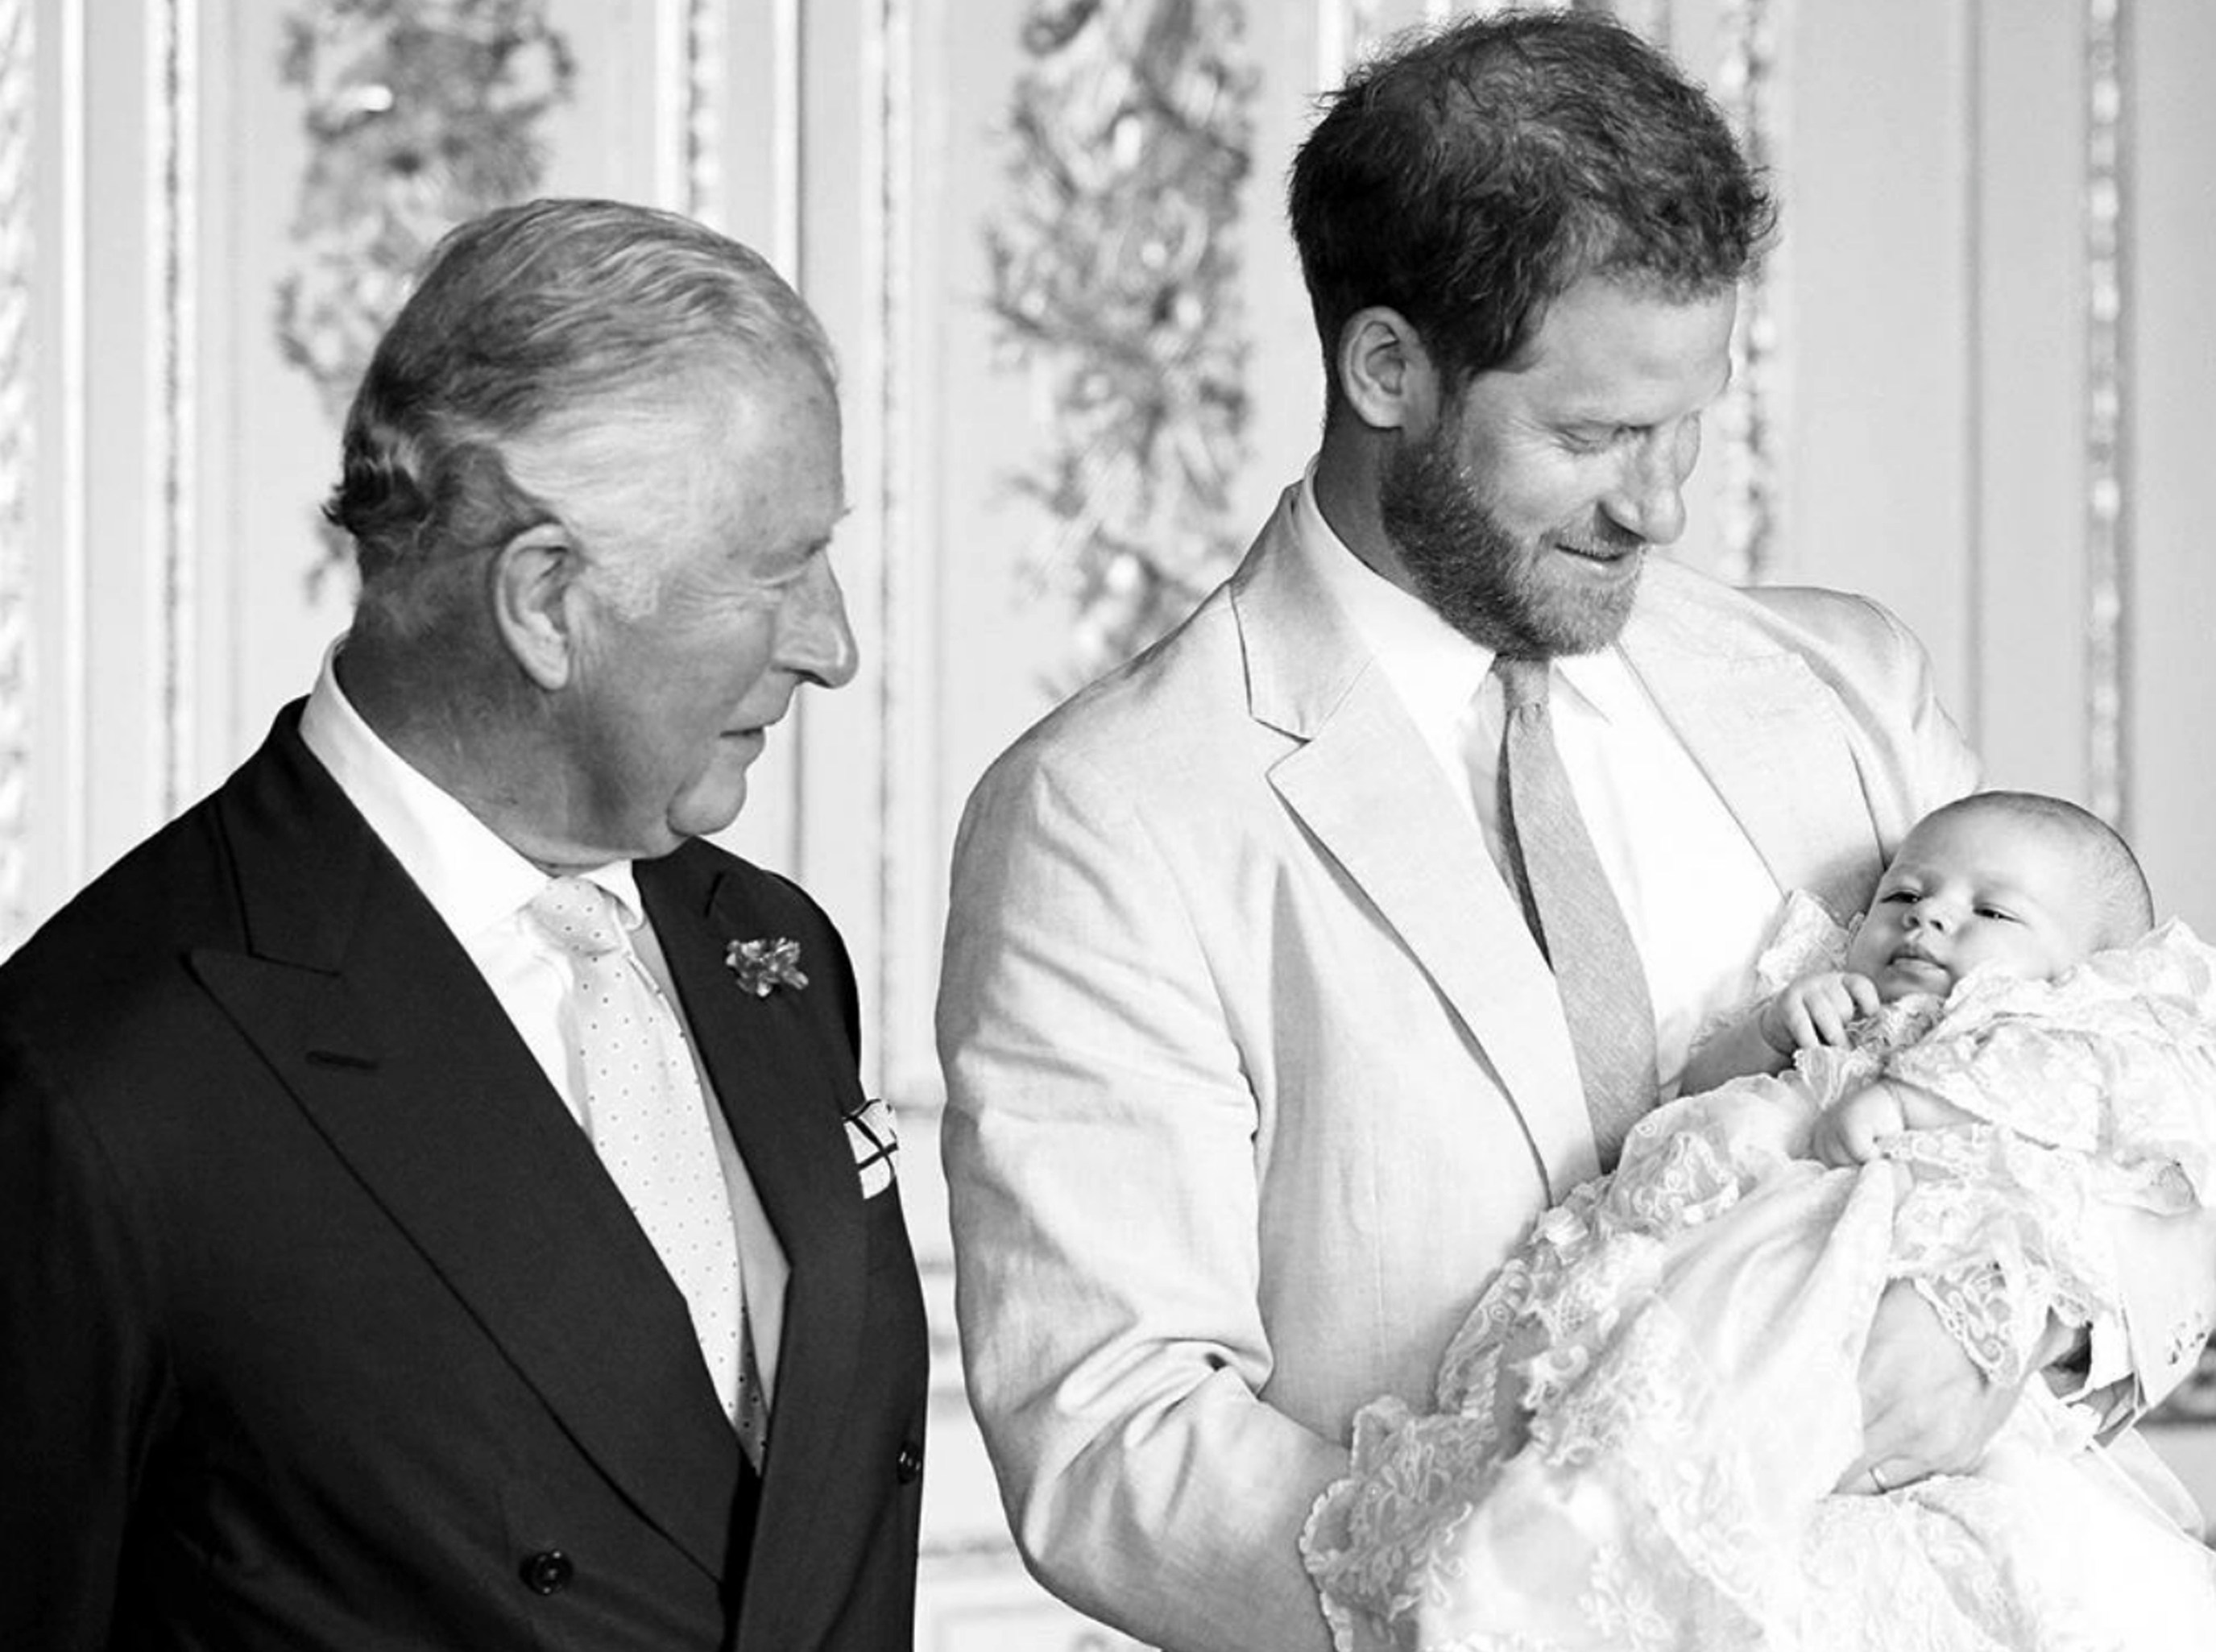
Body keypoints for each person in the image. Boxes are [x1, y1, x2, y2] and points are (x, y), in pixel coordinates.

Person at [936, 14, 2216, 1652]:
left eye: (1682, 426)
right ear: (1386, 368)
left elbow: (2130, 1121)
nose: (1659, 505)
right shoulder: (1105, 809)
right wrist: (1548, 1601)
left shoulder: (1840, 682)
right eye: (1594, 435)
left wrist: (2000, 1327)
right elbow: (1109, 1440)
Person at [0, 198, 929, 1650]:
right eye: (774, 570)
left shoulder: (777, 953)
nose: (834, 644)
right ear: (547, 600)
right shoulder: (102, 1077)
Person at [1303, 790, 2216, 1650]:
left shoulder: (2052, 1033)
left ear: (2083, 974)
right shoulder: (1831, 996)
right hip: (1701, 1266)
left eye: (1993, 912)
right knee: (1634, 1432)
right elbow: (1692, 1093)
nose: (1929, 915)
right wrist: (1775, 1030)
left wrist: (1905, 1107)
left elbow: (2081, 1133)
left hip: (1872, 1281)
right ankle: (1560, 1554)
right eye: (1905, 891)